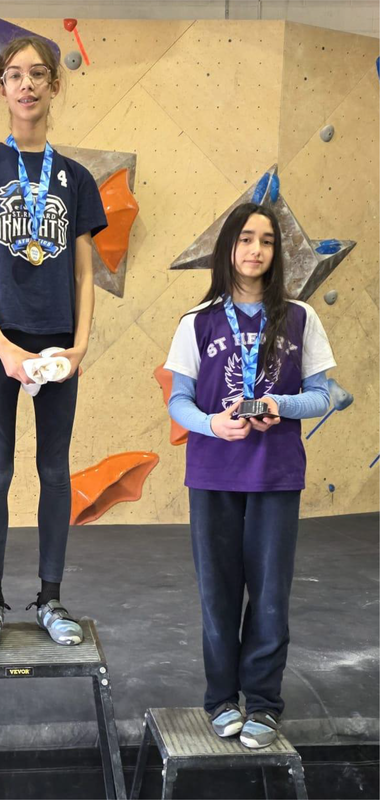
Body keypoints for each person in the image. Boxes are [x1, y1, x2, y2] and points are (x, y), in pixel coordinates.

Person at [0, 36, 108, 649]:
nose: (28, 85)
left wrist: (81, 346)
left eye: (39, 74)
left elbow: (88, 272)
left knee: (54, 469)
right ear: (1, 86)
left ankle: (51, 598)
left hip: (59, 342)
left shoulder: (77, 178)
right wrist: (4, 349)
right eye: (15, 75)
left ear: (55, 86)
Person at [164, 202, 336, 747]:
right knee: (218, 594)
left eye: (265, 240)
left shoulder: (302, 316)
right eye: (244, 239)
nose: (255, 249)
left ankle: (262, 704)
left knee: (268, 596)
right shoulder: (197, 321)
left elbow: (323, 394)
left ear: (276, 252)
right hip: (212, 472)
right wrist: (214, 425)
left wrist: (277, 406)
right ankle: (221, 700)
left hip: (276, 475)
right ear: (228, 249)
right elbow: (180, 404)